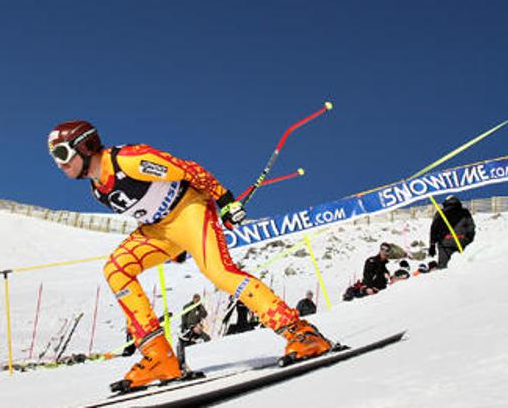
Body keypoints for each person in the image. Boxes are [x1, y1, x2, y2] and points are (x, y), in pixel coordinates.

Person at [47, 120, 335, 391]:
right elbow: (146, 208)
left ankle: (300, 332)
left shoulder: (129, 160)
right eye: (54, 157)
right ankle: (159, 358)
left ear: (85, 146)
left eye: (62, 153)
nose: (59, 163)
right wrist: (171, 250)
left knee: (219, 272)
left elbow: (187, 169)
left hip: (189, 210)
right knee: (116, 269)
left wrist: (225, 200)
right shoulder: (98, 189)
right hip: (159, 229)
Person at [428, 195, 476, 269]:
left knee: (443, 267)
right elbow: (471, 228)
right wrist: (468, 240)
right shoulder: (465, 212)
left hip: (445, 244)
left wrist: (432, 245)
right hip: (462, 242)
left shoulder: (441, 213)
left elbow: (434, 229)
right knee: (462, 267)